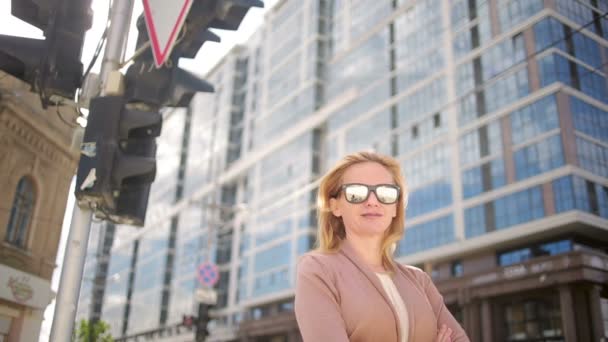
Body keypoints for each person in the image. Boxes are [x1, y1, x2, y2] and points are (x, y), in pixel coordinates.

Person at [294, 151, 469, 342]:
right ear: (336, 206)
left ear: (395, 207)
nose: (372, 201)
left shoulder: (419, 280)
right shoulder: (318, 270)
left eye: (385, 193)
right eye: (356, 193)